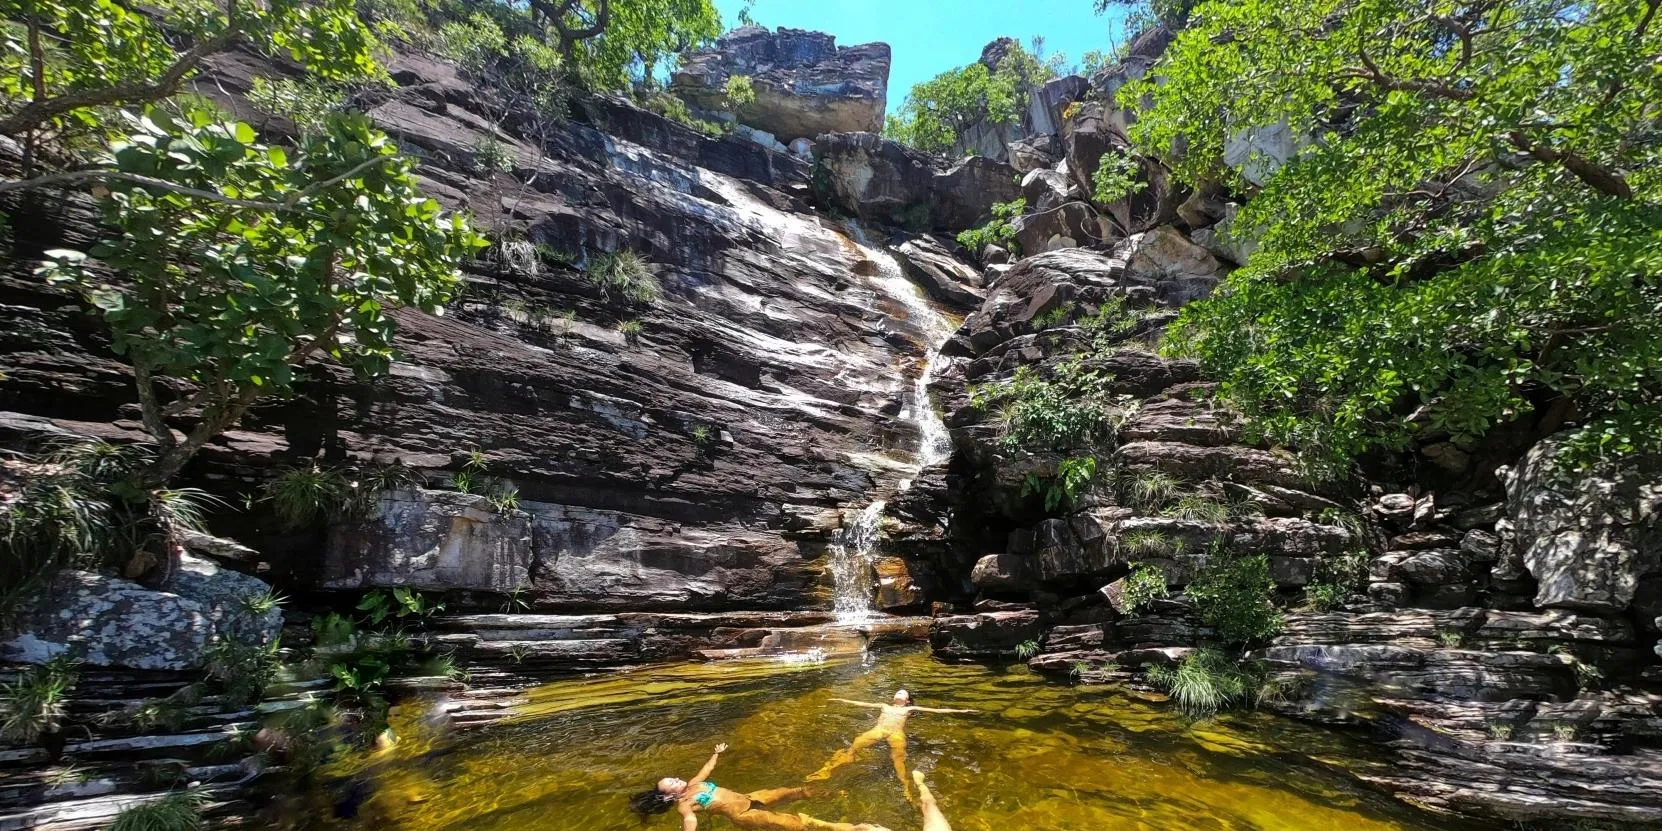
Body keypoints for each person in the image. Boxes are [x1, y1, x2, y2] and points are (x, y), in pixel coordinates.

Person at [632, 743, 890, 831]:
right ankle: (852, 828)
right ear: (670, 797)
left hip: (749, 797)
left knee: (794, 790)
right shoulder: (685, 805)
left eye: (674, 778)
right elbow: (690, 824)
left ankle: (834, 792)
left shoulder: (693, 784)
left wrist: (716, 754)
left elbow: (707, 769)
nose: (677, 779)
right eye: (672, 783)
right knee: (799, 824)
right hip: (745, 814)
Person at [806, 690, 973, 802]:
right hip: (879, 730)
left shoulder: (910, 708)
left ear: (907, 700)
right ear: (894, 697)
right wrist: (841, 699)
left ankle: (905, 786)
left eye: (903, 693)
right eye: (897, 692)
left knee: (898, 760)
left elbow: (936, 711)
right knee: (856, 743)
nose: (899, 694)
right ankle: (828, 769)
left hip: (896, 735)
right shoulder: (883, 705)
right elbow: (861, 703)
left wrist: (962, 711)